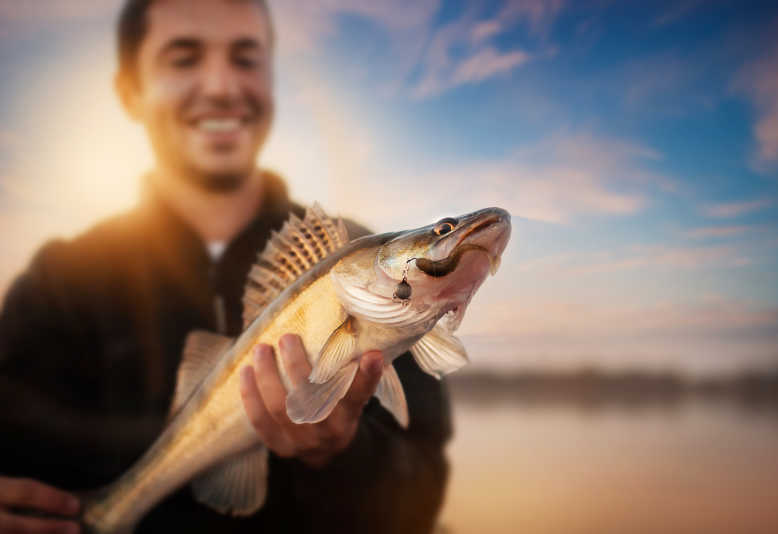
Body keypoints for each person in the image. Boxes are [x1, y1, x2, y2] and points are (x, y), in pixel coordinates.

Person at [0, 1, 451, 533]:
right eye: (183, 58)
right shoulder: (58, 281)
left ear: (271, 79)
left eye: (245, 58)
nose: (220, 85)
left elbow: (420, 492)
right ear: (130, 91)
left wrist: (341, 456)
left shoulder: (358, 254)